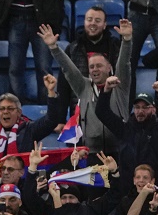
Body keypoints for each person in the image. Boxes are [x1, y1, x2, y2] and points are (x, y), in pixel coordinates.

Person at [44, 21, 133, 155]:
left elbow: (124, 63)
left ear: (109, 68)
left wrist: (127, 40)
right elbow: (68, 69)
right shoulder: (83, 86)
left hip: (120, 152)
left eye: (99, 66)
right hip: (91, 152)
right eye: (91, 67)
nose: (95, 69)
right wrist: (54, 48)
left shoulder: (119, 84)